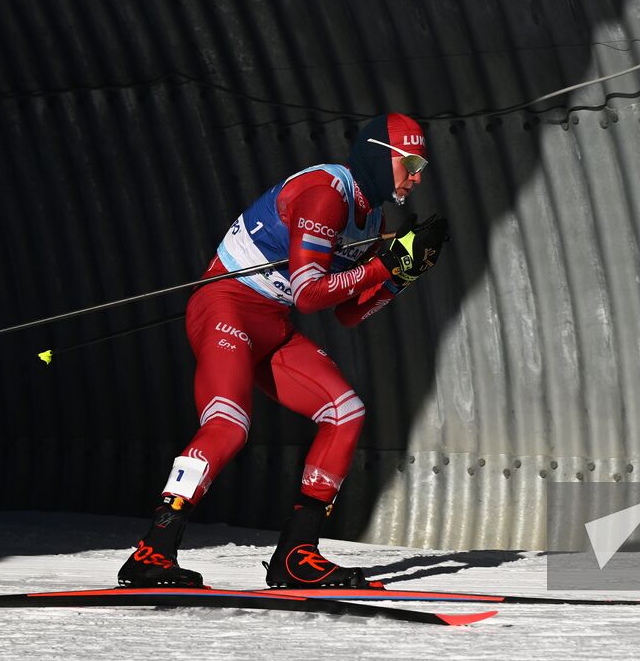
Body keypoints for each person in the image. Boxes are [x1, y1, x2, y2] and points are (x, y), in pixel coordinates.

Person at [117, 113, 447, 589]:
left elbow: (348, 313)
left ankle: (296, 552)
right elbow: (311, 293)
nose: (417, 175)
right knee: (229, 425)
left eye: (423, 165)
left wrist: (401, 275)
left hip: (270, 322)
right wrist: (383, 266)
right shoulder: (326, 194)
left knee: (345, 411)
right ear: (380, 156)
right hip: (226, 305)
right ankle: (153, 549)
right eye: (409, 161)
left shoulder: (371, 216)